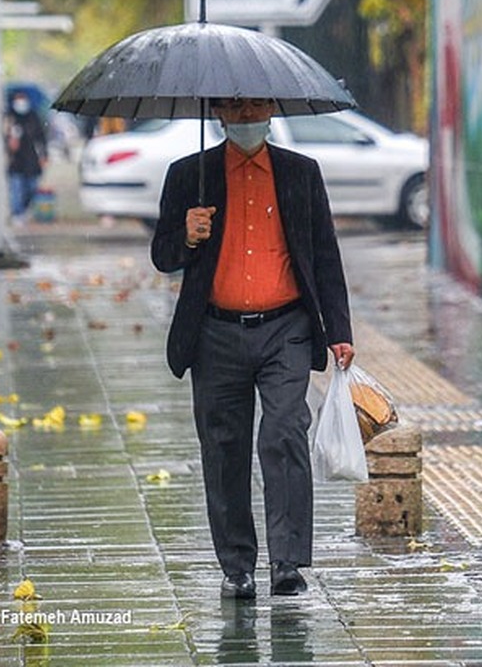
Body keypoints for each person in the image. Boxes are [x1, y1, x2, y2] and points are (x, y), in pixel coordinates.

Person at [151, 97, 355, 602]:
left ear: (271, 110)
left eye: (257, 107)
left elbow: (325, 253)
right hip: (215, 333)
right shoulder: (188, 175)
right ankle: (236, 566)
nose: (248, 118)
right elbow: (161, 254)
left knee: (285, 430)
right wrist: (188, 235)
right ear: (219, 113)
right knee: (224, 448)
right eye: (237, 109)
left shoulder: (300, 173)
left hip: (285, 327)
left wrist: (339, 330)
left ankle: (287, 561)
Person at [4, 90, 47, 224]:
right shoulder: (9, 118)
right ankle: (17, 213)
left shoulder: (33, 116)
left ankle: (26, 208)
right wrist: (9, 142)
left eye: (23, 99)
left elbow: (41, 138)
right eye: (18, 99)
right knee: (16, 188)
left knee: (31, 187)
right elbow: (2, 137)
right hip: (15, 161)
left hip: (31, 159)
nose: (21, 102)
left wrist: (44, 155)